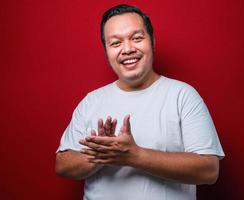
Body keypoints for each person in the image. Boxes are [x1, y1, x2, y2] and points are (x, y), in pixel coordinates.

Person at [55, 4, 224, 200]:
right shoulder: (91, 101)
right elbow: (62, 164)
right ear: (106, 51)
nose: (127, 49)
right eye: (115, 43)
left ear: (152, 41)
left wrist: (134, 156)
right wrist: (101, 154)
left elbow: (209, 170)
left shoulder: (183, 95)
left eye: (136, 38)